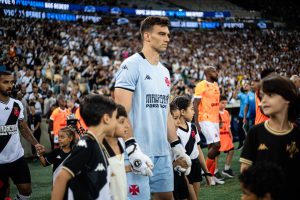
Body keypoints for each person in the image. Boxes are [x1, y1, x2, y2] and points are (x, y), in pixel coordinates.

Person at [114, 16, 191, 200]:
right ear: (147, 36)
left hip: (162, 152)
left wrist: (176, 146)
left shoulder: (165, 71)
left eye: (168, 35)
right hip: (137, 151)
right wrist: (131, 147)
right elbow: (121, 112)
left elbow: (164, 112)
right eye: (162, 34)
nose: (167, 39)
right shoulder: (131, 65)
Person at [240, 75, 300, 199]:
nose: (263, 101)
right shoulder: (255, 132)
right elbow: (245, 171)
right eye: (262, 96)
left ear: (287, 98)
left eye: (270, 95)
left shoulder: (297, 134)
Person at [51, 94, 118, 200]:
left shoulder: (98, 143)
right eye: (115, 117)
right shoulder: (86, 144)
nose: (117, 123)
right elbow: (61, 178)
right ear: (106, 118)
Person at [0, 70, 45, 200]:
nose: (10, 85)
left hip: (16, 157)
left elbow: (23, 128)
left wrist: (36, 144)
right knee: (3, 193)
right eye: (5, 82)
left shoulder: (17, 105)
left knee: (26, 190)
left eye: (12, 82)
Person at [172, 96, 212, 199]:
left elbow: (198, 150)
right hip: (184, 167)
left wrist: (206, 171)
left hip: (195, 165)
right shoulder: (175, 131)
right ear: (182, 112)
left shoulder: (193, 127)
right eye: (191, 109)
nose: (194, 112)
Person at [193, 66, 224, 185]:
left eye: (216, 71)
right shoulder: (201, 85)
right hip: (205, 118)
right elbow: (195, 104)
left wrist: (219, 117)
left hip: (215, 119)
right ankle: (205, 172)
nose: (216, 73)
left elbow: (216, 104)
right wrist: (196, 122)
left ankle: (210, 177)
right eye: (213, 71)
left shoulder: (215, 84)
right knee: (217, 145)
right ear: (206, 73)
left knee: (214, 148)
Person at [102, 104, 129, 200]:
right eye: (122, 122)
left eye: (127, 121)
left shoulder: (121, 142)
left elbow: (117, 170)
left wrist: (131, 168)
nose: (127, 126)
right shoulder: (100, 149)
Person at [170, 102, 189, 200]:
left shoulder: (177, 138)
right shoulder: (160, 140)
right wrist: (174, 164)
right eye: (175, 118)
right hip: (169, 182)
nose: (178, 122)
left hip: (179, 178)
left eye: (179, 118)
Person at [218, 95, 235, 178]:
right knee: (216, 153)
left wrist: (231, 135)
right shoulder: (215, 113)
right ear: (218, 102)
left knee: (231, 150)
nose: (224, 105)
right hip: (219, 136)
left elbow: (228, 126)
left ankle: (226, 169)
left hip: (226, 135)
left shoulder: (226, 112)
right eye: (222, 103)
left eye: (225, 103)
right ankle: (215, 171)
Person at [236, 83, 250, 150]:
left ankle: (247, 145)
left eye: (246, 85)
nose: (244, 86)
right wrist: (237, 88)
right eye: (244, 85)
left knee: (248, 131)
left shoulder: (251, 95)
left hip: (249, 116)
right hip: (241, 116)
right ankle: (240, 144)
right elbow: (235, 97)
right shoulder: (241, 94)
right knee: (239, 130)